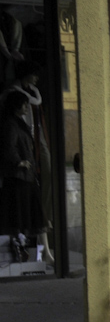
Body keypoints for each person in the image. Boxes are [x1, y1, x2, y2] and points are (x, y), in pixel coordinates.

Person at [1, 92, 44, 263]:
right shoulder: (11, 124)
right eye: (24, 105)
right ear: (16, 105)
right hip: (19, 177)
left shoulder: (18, 123)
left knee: (25, 213)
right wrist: (19, 162)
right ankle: (20, 246)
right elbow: (8, 146)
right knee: (20, 213)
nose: (26, 108)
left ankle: (23, 246)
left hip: (25, 176)